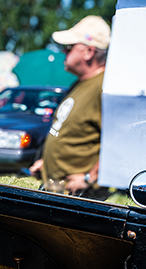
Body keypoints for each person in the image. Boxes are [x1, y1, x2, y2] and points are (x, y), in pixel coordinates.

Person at [29, 16, 111, 196]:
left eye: (69, 47)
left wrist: (89, 178)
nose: (63, 52)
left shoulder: (104, 87)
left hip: (79, 198)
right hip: (56, 190)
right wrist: (46, 164)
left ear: (89, 52)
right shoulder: (80, 83)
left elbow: (116, 141)